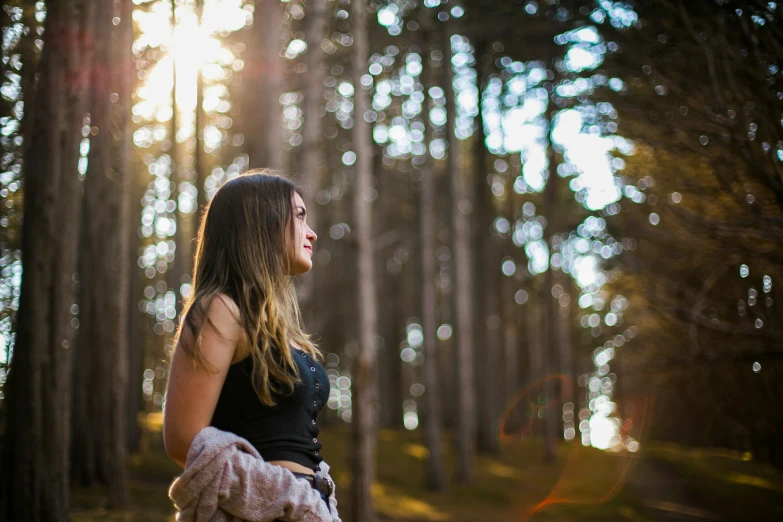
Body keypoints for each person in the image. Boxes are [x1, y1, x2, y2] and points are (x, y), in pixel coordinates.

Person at [163, 170, 337, 521]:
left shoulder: (273, 327)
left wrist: (316, 501)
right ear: (262, 221)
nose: (312, 233)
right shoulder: (220, 308)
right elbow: (184, 439)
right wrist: (293, 497)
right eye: (300, 216)